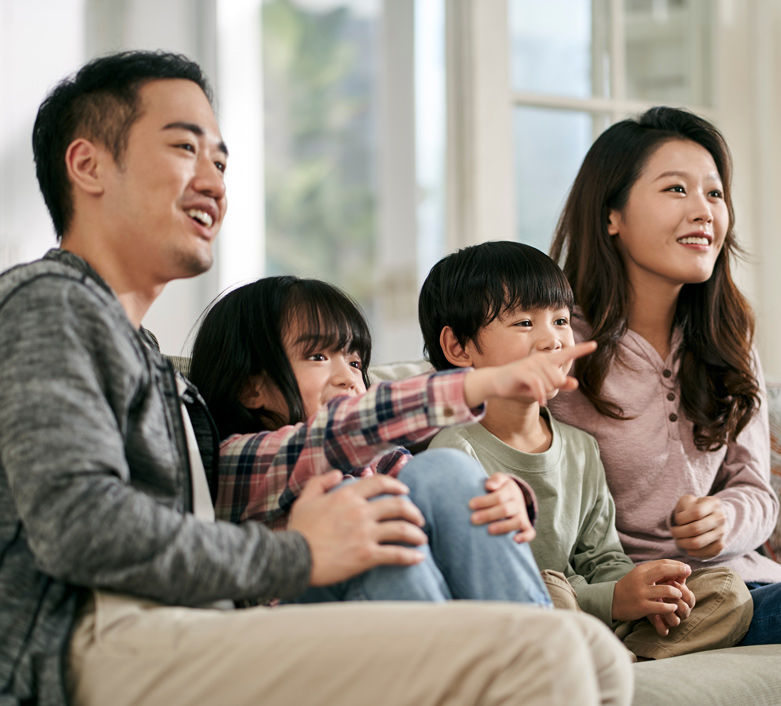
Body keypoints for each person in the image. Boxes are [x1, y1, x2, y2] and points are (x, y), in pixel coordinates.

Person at [0, 50, 634, 706]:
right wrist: (296, 552)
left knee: (597, 655)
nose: (215, 181)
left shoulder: (157, 370)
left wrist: (490, 462)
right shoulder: (51, 300)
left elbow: (349, 436)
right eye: (185, 148)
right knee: (551, 650)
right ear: (88, 165)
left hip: (188, 618)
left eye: (221, 160)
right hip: (88, 640)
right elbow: (80, 526)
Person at [417, 240, 753, 659]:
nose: (552, 340)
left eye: (560, 320)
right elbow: (488, 576)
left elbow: (602, 558)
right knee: (551, 591)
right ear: (458, 347)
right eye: (524, 323)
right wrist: (610, 600)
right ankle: (602, 655)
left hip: (591, 614)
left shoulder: (581, 448)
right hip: (524, 612)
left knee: (726, 591)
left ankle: (622, 658)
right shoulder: (454, 455)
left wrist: (643, 590)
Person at [548, 105, 781, 646]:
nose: (704, 211)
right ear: (611, 215)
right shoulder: (561, 345)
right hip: (643, 602)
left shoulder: (728, 339)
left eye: (714, 193)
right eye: (675, 190)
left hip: (747, 586)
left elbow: (756, 489)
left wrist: (724, 519)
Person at [189, 274, 594, 604]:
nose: (349, 376)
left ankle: (535, 652)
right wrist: (478, 383)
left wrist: (503, 496)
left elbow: (437, 498)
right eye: (317, 356)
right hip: (302, 633)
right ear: (250, 388)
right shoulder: (237, 461)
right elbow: (337, 435)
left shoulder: (378, 463)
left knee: (443, 470)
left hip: (414, 612)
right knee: (372, 512)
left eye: (354, 361)